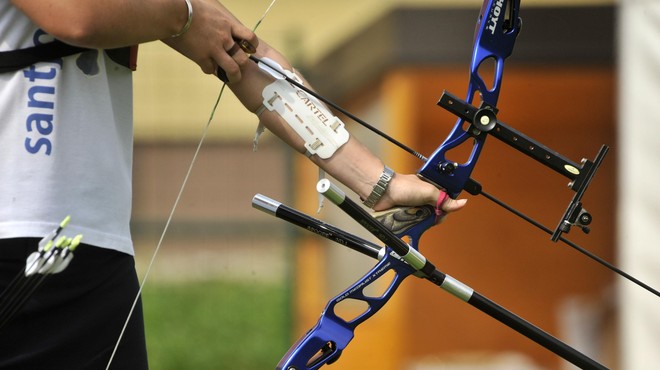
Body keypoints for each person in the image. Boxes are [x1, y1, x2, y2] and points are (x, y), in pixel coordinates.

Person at [0, 0, 466, 368]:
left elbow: (239, 54)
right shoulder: (171, 8)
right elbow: (76, 15)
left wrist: (380, 183)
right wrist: (184, 14)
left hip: (90, 255)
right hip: (15, 239)